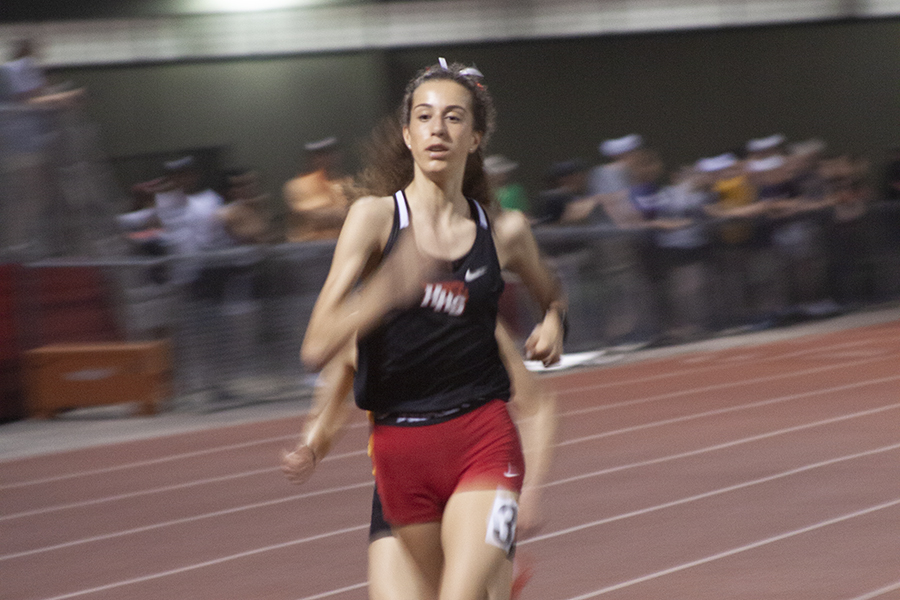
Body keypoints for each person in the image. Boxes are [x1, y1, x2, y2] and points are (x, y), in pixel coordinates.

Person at [297, 59, 566, 600]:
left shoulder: (504, 231)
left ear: (475, 137)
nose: (437, 130)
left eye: (453, 118)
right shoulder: (374, 219)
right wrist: (386, 289)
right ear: (407, 134)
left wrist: (554, 319)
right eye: (424, 117)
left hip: (482, 439)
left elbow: (551, 292)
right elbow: (317, 347)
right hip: (400, 452)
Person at [281, 321, 556, 600]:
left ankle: (495, 582)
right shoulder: (360, 325)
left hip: (479, 473)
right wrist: (310, 448)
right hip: (401, 486)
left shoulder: (474, 314)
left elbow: (536, 406)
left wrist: (532, 490)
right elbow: (333, 404)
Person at [283, 136, 351, 242]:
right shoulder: (295, 186)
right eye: (320, 155)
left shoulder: (350, 183)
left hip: (342, 241)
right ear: (312, 159)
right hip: (310, 246)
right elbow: (307, 215)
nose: (327, 158)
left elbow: (353, 214)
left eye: (331, 153)